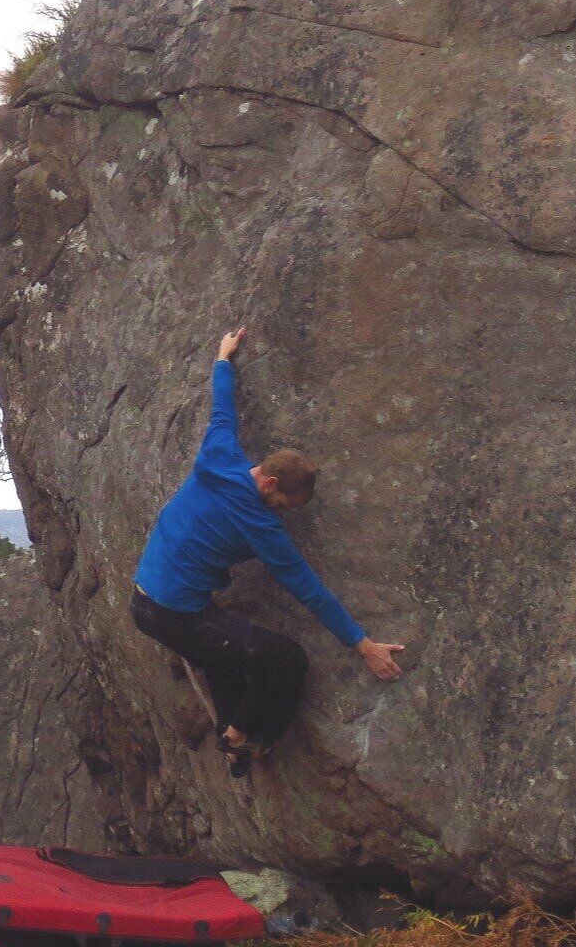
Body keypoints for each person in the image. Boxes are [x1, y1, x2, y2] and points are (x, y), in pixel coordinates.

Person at [130, 326, 404, 778]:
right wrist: (364, 645)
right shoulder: (259, 525)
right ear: (271, 483)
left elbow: (223, 409)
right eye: (282, 505)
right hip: (173, 614)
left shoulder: (219, 455)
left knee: (228, 657)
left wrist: (223, 356)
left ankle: (233, 746)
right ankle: (244, 737)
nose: (280, 515)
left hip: (146, 598)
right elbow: (308, 589)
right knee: (286, 660)